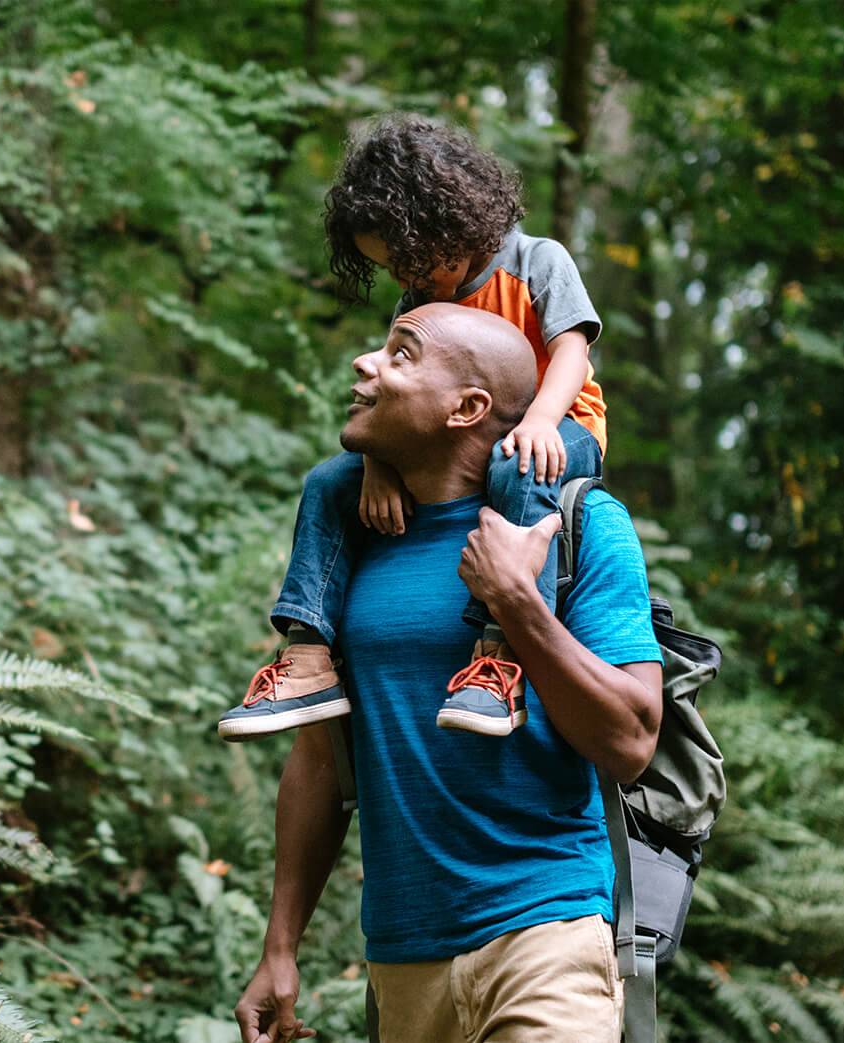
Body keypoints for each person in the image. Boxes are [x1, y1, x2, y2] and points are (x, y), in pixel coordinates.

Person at [233, 304, 663, 1043]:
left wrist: (516, 601)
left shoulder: (579, 526)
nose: (365, 364)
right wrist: (280, 946)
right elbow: (319, 759)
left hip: (545, 938)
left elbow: (630, 737)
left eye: (400, 355)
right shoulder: (353, 540)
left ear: (467, 408)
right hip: (403, 965)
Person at [218, 115, 608, 742]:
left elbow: (572, 353)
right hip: (453, 440)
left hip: (557, 426)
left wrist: (539, 420)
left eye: (408, 260)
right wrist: (376, 465)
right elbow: (388, 402)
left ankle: (497, 652)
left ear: (448, 221)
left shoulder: (537, 260)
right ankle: (307, 655)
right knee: (328, 482)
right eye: (391, 269)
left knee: (518, 464)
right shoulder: (420, 302)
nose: (405, 281)